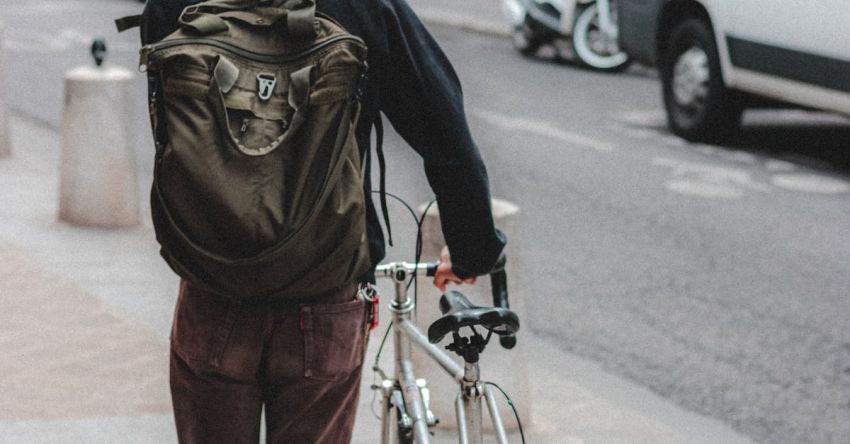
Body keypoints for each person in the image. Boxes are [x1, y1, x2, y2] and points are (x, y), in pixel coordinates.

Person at [141, 0, 507, 442]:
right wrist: (472, 251)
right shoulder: (364, 8)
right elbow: (446, 135)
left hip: (214, 290)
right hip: (326, 293)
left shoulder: (173, 7)